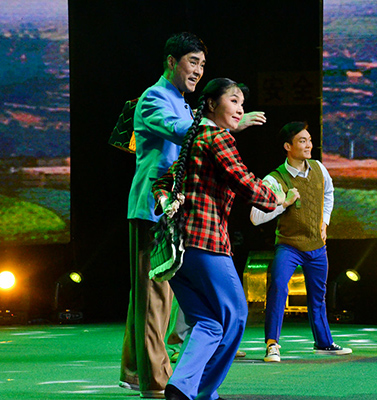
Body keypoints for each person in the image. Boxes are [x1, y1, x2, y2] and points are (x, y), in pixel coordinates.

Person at [120, 32, 266, 398]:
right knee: (154, 300)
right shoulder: (155, 97)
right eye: (192, 62)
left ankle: (138, 371)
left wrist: (220, 120)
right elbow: (181, 132)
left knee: (164, 301)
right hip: (155, 209)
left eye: (202, 64)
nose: (198, 70)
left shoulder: (185, 105)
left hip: (179, 212)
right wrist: (225, 122)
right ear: (172, 61)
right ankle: (156, 381)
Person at [152, 78, 284, 400]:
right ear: (211, 104)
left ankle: (181, 387)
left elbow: (162, 181)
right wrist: (276, 198)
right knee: (235, 316)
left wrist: (165, 200)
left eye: (242, 104)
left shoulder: (193, 140)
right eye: (234, 101)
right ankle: (202, 391)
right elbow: (243, 180)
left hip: (178, 251)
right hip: (206, 243)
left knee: (208, 323)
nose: (240, 109)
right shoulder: (218, 137)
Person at [250, 121, 352, 363]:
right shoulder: (275, 179)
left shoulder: (319, 168)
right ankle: (272, 344)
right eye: (302, 141)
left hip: (317, 245)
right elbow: (255, 217)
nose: (309, 145)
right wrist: (283, 203)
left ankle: (324, 343)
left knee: (318, 296)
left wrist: (324, 221)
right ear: (288, 146)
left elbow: (329, 193)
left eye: (309, 140)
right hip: (289, 245)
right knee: (278, 287)